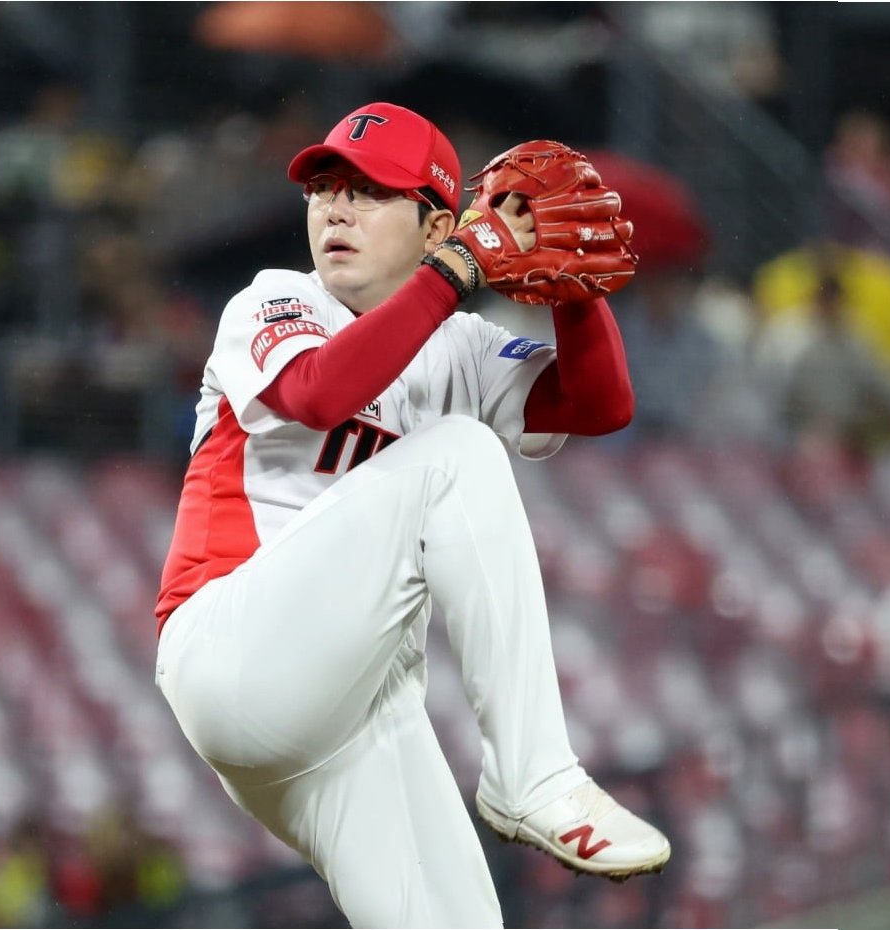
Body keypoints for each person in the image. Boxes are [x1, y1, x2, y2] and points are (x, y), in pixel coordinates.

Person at [153, 102, 670, 928]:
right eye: (324, 188)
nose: (336, 209)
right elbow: (319, 392)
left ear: (435, 227)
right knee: (459, 452)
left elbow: (599, 405)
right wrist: (459, 268)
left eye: (368, 191)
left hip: (358, 715)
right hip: (234, 651)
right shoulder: (276, 299)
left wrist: (573, 292)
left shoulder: (462, 345)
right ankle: (532, 776)